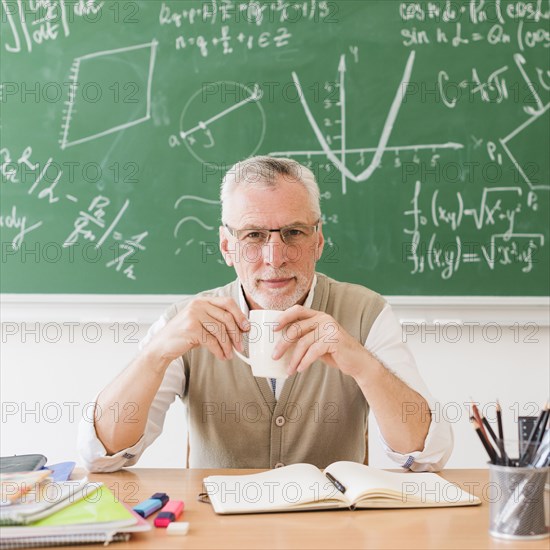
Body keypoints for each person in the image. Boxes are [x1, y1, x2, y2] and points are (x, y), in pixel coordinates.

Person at [78, 156, 453, 472]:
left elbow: (427, 454)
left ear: (318, 240)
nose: (275, 258)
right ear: (227, 246)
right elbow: (101, 455)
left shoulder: (366, 313)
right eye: (254, 235)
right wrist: (155, 354)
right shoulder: (187, 320)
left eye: (293, 232)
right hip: (220, 534)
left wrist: (361, 364)